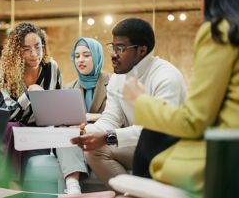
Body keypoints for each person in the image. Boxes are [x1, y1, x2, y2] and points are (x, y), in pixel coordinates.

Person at [122, 0, 239, 196]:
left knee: (150, 139)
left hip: (227, 157)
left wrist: (139, 100)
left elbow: (193, 120)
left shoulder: (220, 31)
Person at [71, 18, 187, 190]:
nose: (113, 54)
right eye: (112, 47)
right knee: (93, 150)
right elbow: (111, 118)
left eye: (120, 48)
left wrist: (107, 137)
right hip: (140, 146)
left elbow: (158, 131)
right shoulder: (118, 77)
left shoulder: (166, 77)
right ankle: (129, 194)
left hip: (170, 149)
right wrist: (85, 131)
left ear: (142, 50)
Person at [0, 22, 62, 185]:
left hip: (40, 133)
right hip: (11, 134)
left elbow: (58, 104)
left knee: (15, 131)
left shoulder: (51, 68)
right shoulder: (4, 74)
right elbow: (7, 115)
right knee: (12, 128)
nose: (34, 54)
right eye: (26, 49)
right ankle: (12, 187)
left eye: (38, 46)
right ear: (16, 52)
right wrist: (29, 95)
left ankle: (7, 188)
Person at [55, 37, 110, 194]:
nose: (81, 60)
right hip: (77, 140)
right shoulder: (69, 87)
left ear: (97, 56)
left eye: (87, 55)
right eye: (77, 56)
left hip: (102, 138)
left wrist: (89, 117)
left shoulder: (112, 82)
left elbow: (119, 117)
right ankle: (73, 187)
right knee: (64, 133)